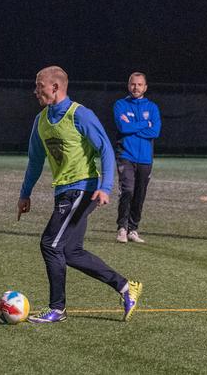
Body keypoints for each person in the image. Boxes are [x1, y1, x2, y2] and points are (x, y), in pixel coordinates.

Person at [17, 66, 142, 323]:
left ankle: (57, 309)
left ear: (55, 87)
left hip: (83, 189)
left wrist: (105, 187)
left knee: (50, 244)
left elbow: (105, 148)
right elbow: (35, 161)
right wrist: (24, 194)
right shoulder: (41, 120)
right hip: (64, 191)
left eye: (39, 85)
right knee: (71, 251)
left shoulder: (80, 114)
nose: (35, 90)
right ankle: (125, 287)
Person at [113, 72, 161, 243]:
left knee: (140, 194)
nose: (136, 87)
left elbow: (155, 132)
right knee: (127, 190)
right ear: (128, 86)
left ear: (145, 87)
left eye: (140, 84)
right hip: (126, 154)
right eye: (133, 84)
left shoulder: (152, 107)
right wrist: (145, 124)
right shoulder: (120, 105)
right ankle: (122, 228)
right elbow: (123, 128)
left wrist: (133, 127)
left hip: (145, 158)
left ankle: (133, 229)